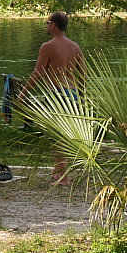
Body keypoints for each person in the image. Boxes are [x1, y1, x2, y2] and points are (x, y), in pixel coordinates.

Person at [20, 11, 84, 186]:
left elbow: (38, 72)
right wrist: (83, 98)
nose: (46, 26)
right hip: (73, 93)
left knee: (57, 135)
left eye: (47, 23)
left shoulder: (48, 46)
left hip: (57, 93)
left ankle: (62, 175)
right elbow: (83, 74)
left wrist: (23, 93)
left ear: (54, 25)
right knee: (65, 134)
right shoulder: (75, 47)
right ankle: (59, 170)